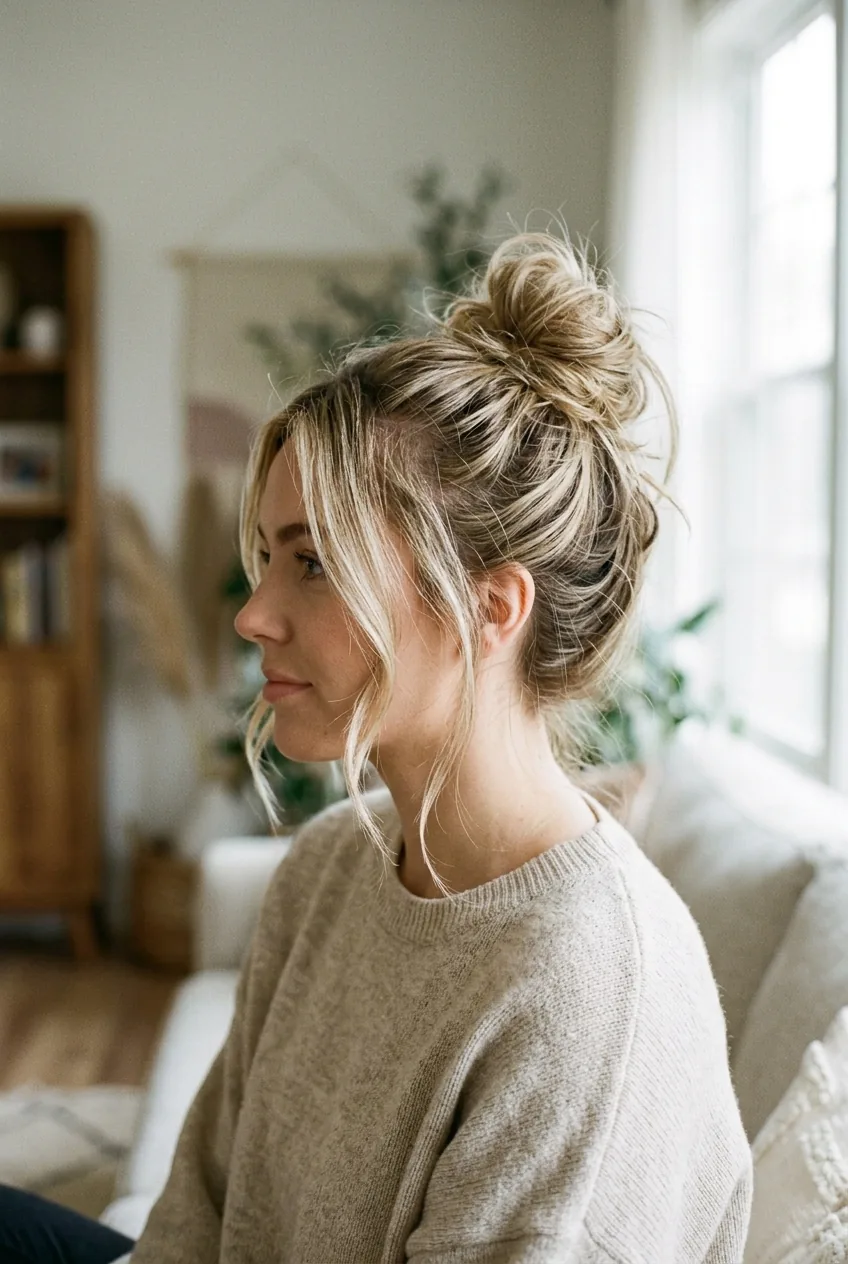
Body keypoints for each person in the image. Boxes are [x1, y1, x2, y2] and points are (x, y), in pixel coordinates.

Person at [0, 229, 753, 1262]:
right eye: (267, 556)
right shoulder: (324, 870)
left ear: (489, 610)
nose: (252, 615)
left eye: (310, 564)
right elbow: (195, 1221)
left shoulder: (583, 1002)